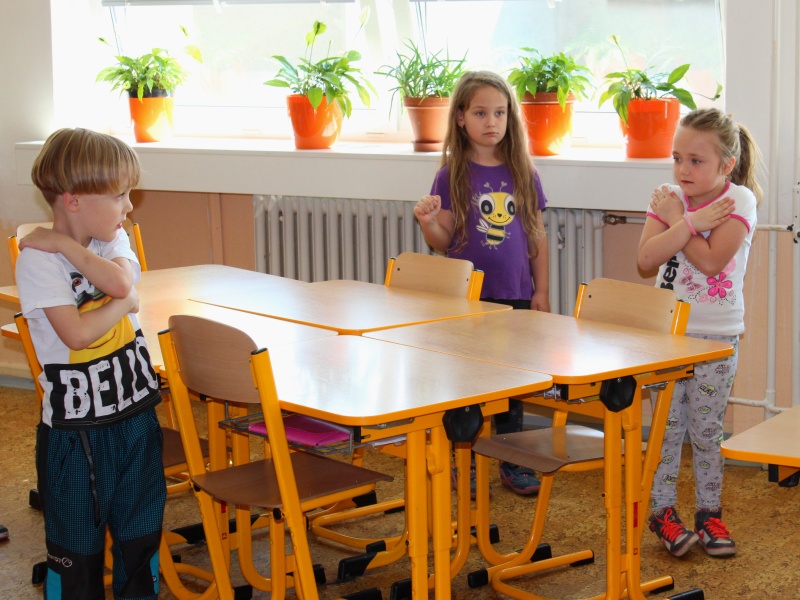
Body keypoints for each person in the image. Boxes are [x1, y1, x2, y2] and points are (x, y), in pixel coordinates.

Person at [16, 128, 166, 599]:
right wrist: (127, 303)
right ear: (74, 199)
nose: (129, 206)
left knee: (140, 541)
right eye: (119, 195)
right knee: (77, 558)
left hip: (135, 417)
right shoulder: (37, 262)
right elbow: (78, 335)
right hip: (75, 434)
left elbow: (120, 285)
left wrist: (67, 246)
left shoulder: (110, 239)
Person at [414, 70, 550, 497]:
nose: (492, 122)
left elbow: (536, 236)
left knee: (512, 383)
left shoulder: (524, 172)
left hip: (515, 295)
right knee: (466, 381)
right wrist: (429, 222)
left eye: (500, 113)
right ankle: (465, 462)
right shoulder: (450, 175)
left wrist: (541, 291)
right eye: (480, 113)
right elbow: (443, 242)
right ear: (460, 117)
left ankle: (513, 461)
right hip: (467, 299)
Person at [638, 108, 763, 558]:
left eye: (695, 160)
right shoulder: (669, 198)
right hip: (667, 338)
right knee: (668, 430)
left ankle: (709, 513)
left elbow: (710, 261)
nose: (683, 170)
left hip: (716, 339)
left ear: (726, 164)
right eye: (677, 158)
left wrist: (681, 221)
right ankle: (661, 512)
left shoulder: (739, 201)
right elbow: (646, 260)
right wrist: (688, 220)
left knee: (707, 431)